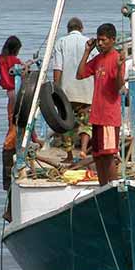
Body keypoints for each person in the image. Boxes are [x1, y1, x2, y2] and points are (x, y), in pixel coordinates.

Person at [76, 23, 125, 186]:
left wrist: (119, 69)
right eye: (98, 40)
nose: (100, 43)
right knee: (98, 155)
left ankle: (112, 185)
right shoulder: (98, 59)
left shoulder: (116, 58)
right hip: (97, 115)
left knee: (109, 155)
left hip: (109, 115)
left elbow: (119, 86)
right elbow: (80, 74)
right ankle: (103, 185)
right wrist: (87, 51)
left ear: (112, 40)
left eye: (103, 40)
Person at [51, 17, 94, 162]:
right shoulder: (89, 42)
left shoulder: (61, 42)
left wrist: (55, 90)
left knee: (66, 123)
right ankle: (82, 150)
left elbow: (58, 67)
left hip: (67, 91)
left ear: (68, 29)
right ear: (81, 29)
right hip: (87, 89)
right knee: (86, 123)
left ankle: (69, 155)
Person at [0, 36, 23, 192]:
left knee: (11, 118)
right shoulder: (15, 60)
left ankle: (12, 139)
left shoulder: (1, 58)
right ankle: (10, 144)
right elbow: (20, 71)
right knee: (18, 117)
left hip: (8, 93)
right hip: (15, 91)